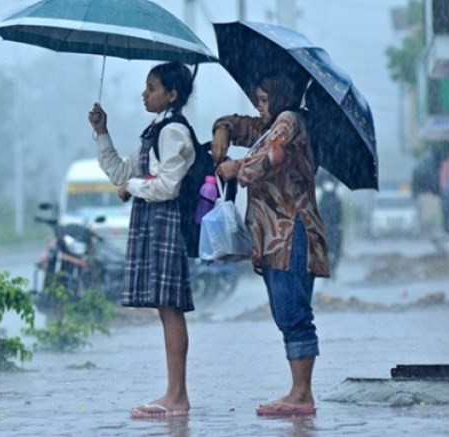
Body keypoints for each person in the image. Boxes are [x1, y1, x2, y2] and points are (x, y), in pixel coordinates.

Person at [211, 71, 329, 416]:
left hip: (290, 232)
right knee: (285, 309)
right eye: (258, 100)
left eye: (264, 100)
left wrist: (236, 167)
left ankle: (302, 393)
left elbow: (268, 158)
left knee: (293, 310)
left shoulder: (289, 121)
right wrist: (222, 130)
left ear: (279, 99)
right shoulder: (269, 124)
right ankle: (299, 390)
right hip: (273, 236)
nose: (259, 107)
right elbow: (235, 124)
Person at [88, 62, 196, 419]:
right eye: (145, 87)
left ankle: (177, 395)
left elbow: (166, 186)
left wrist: (131, 188)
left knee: (171, 306)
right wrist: (102, 132)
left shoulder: (174, 131)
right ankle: (174, 392)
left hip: (166, 220)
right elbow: (123, 171)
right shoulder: (156, 130)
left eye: (151, 87)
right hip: (152, 219)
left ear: (171, 94)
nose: (144, 93)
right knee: (165, 307)